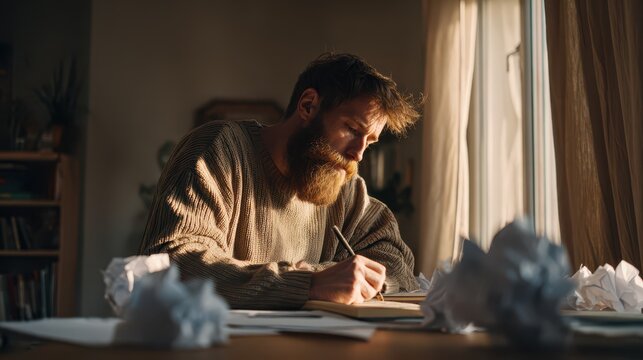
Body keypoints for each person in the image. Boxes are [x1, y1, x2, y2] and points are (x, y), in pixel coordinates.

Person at [139, 53, 421, 309]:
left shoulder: (344, 184)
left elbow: (396, 261)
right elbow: (173, 261)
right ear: (308, 105)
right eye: (351, 129)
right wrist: (310, 282)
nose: (357, 154)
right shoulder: (217, 148)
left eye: (369, 142)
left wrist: (360, 279)